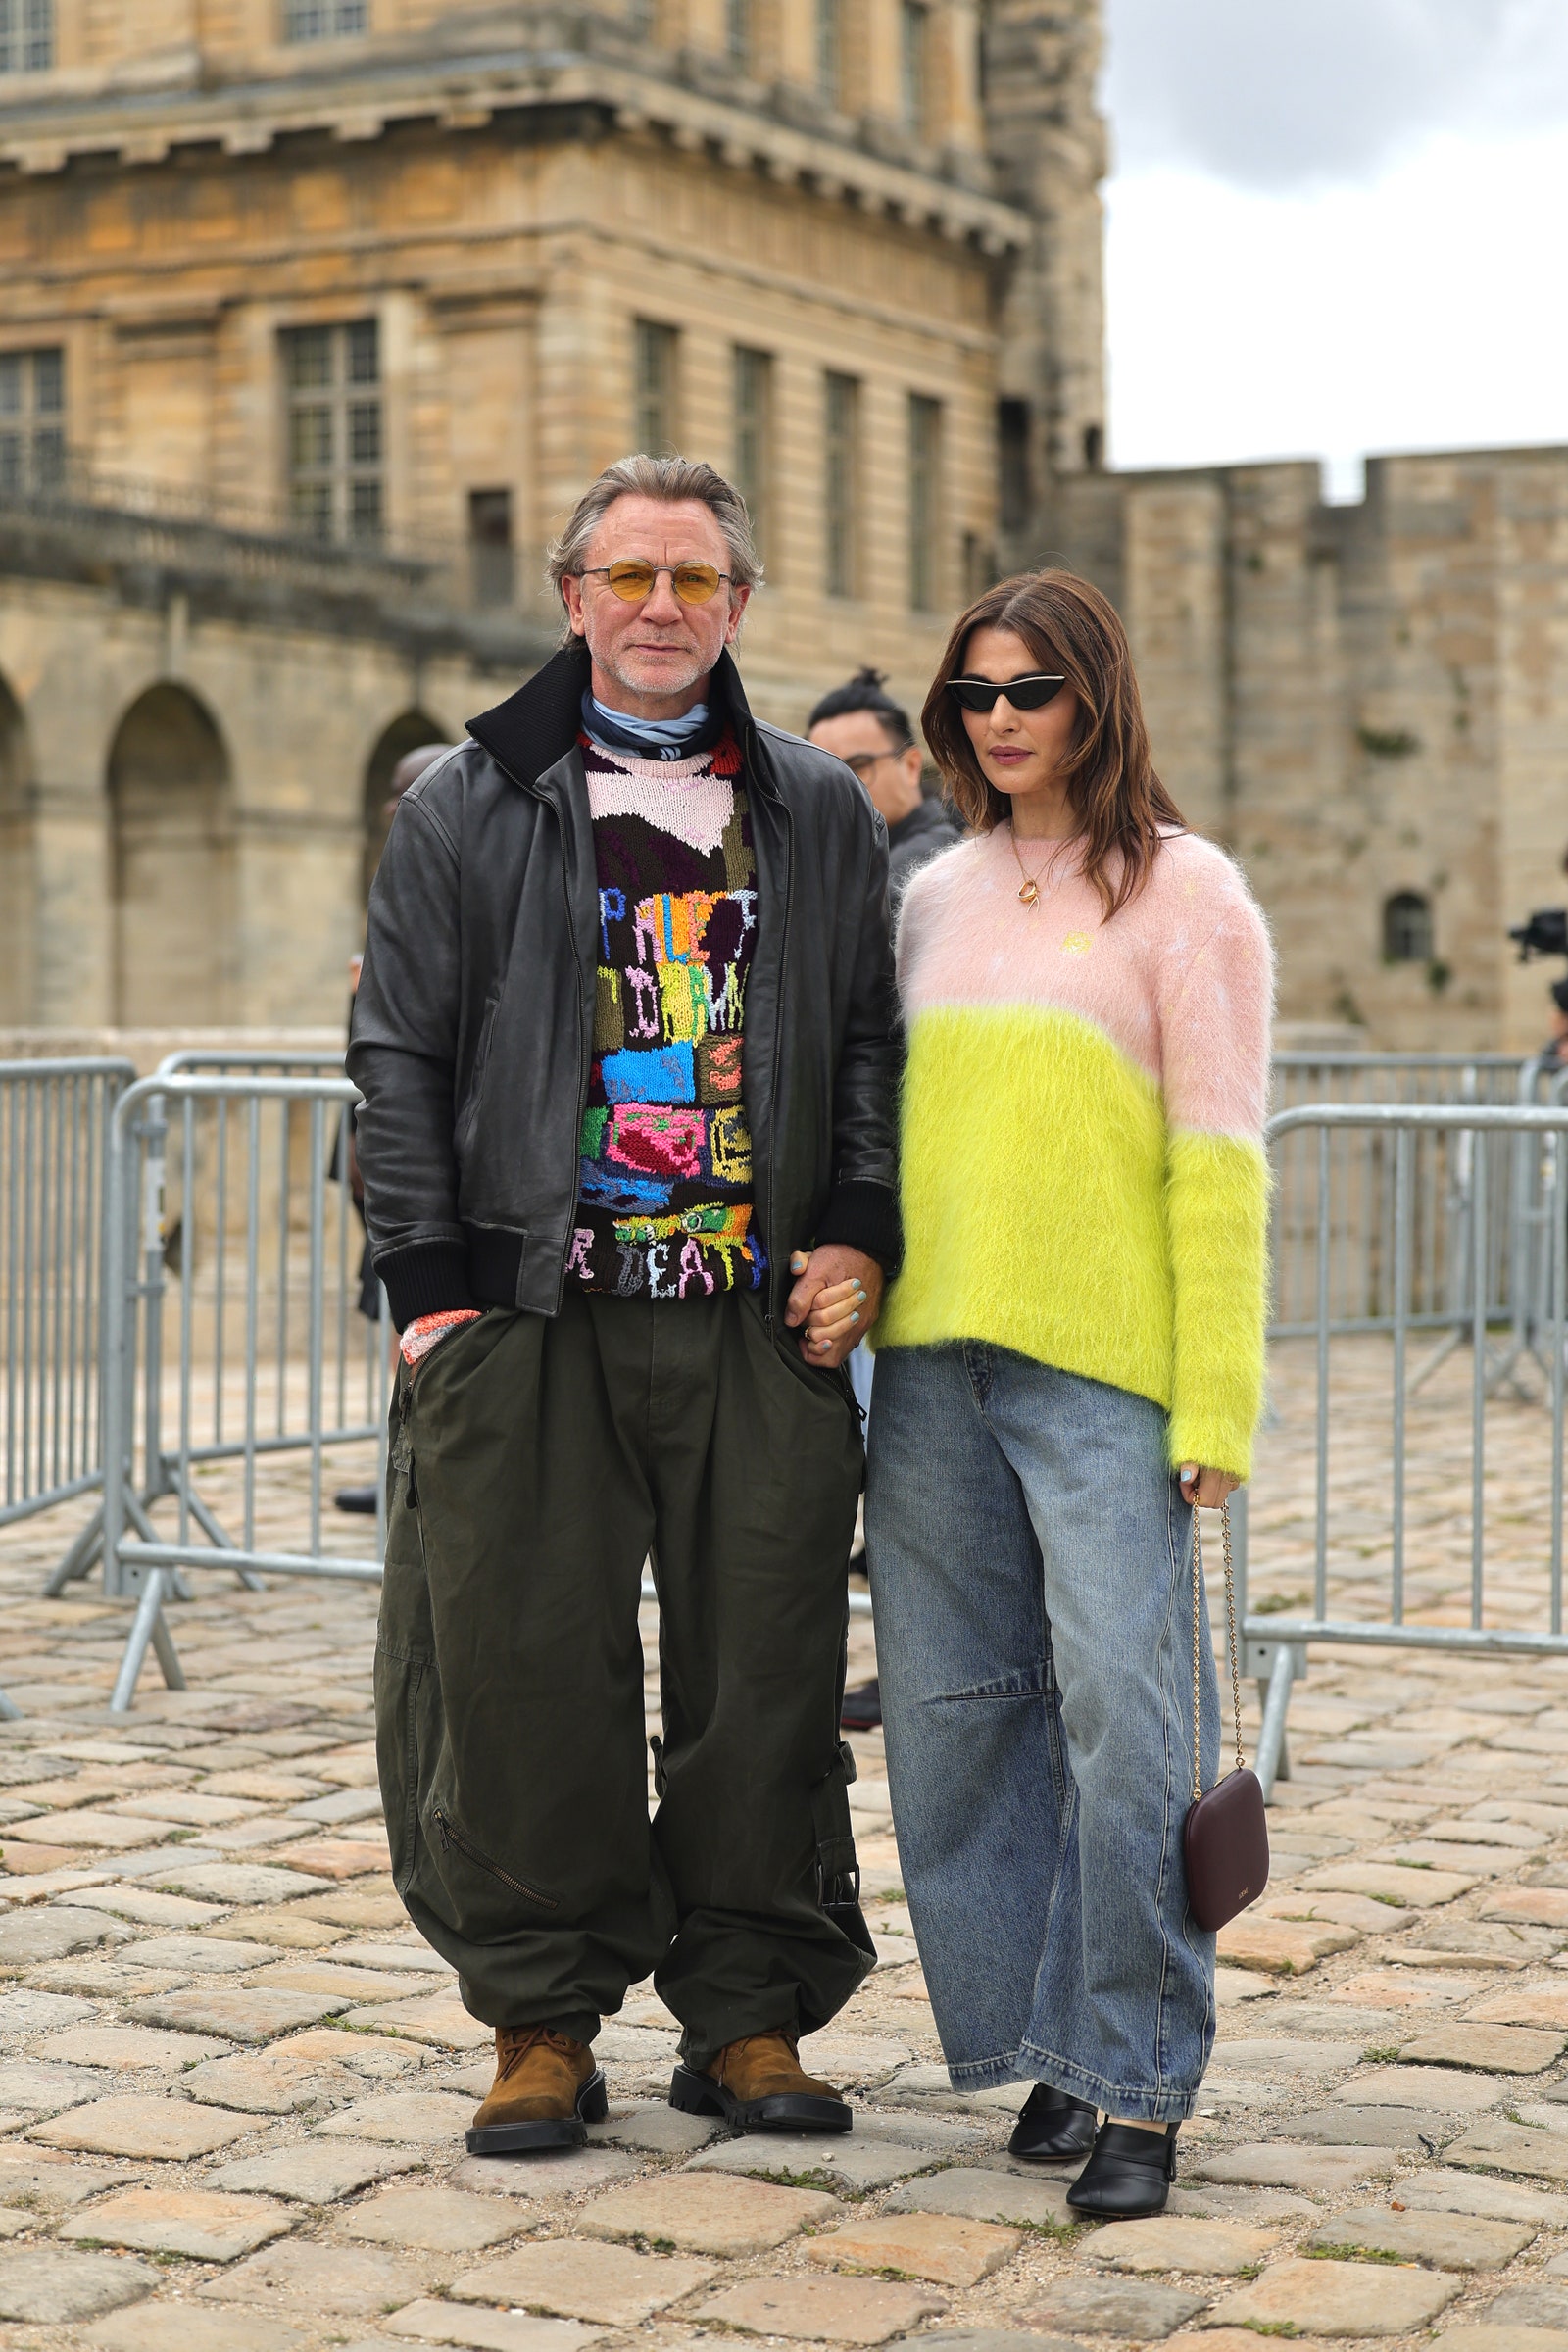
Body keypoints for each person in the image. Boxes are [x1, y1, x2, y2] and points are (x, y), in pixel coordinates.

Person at [348, 454, 902, 2156]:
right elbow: (396, 1053)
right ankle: (540, 2014)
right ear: (573, 597)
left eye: (697, 581)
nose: (664, 608)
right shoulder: (465, 798)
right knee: (521, 1673)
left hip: (749, 1316)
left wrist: (858, 1231)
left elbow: (873, 1047)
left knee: (764, 1675)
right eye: (632, 577)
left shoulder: (812, 804)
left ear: (739, 605)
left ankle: (746, 2014)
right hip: (535, 1312)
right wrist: (432, 1296)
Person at [864, 569, 1272, 2220]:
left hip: (1107, 1377)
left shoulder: (1190, 896)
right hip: (932, 1371)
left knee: (1126, 1728)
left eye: (1030, 689)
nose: (1000, 719)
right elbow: (897, 1137)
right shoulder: (933, 895)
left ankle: (1139, 2084)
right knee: (963, 1728)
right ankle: (1048, 2039)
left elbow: (1221, 1167)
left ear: (1095, 696)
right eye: (973, 695)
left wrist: (1215, 1410)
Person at [335, 742, 455, 1517]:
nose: (395, 811)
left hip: (423, 1155)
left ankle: (413, 1473)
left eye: (404, 795)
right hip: (381, 1127)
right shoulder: (400, 873)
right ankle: (398, 1467)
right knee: (392, 1314)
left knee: (413, 1319)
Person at [807, 668, 961, 909]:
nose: (839, 789)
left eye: (858, 767)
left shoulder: (934, 858)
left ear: (911, 766)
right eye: (822, 774)